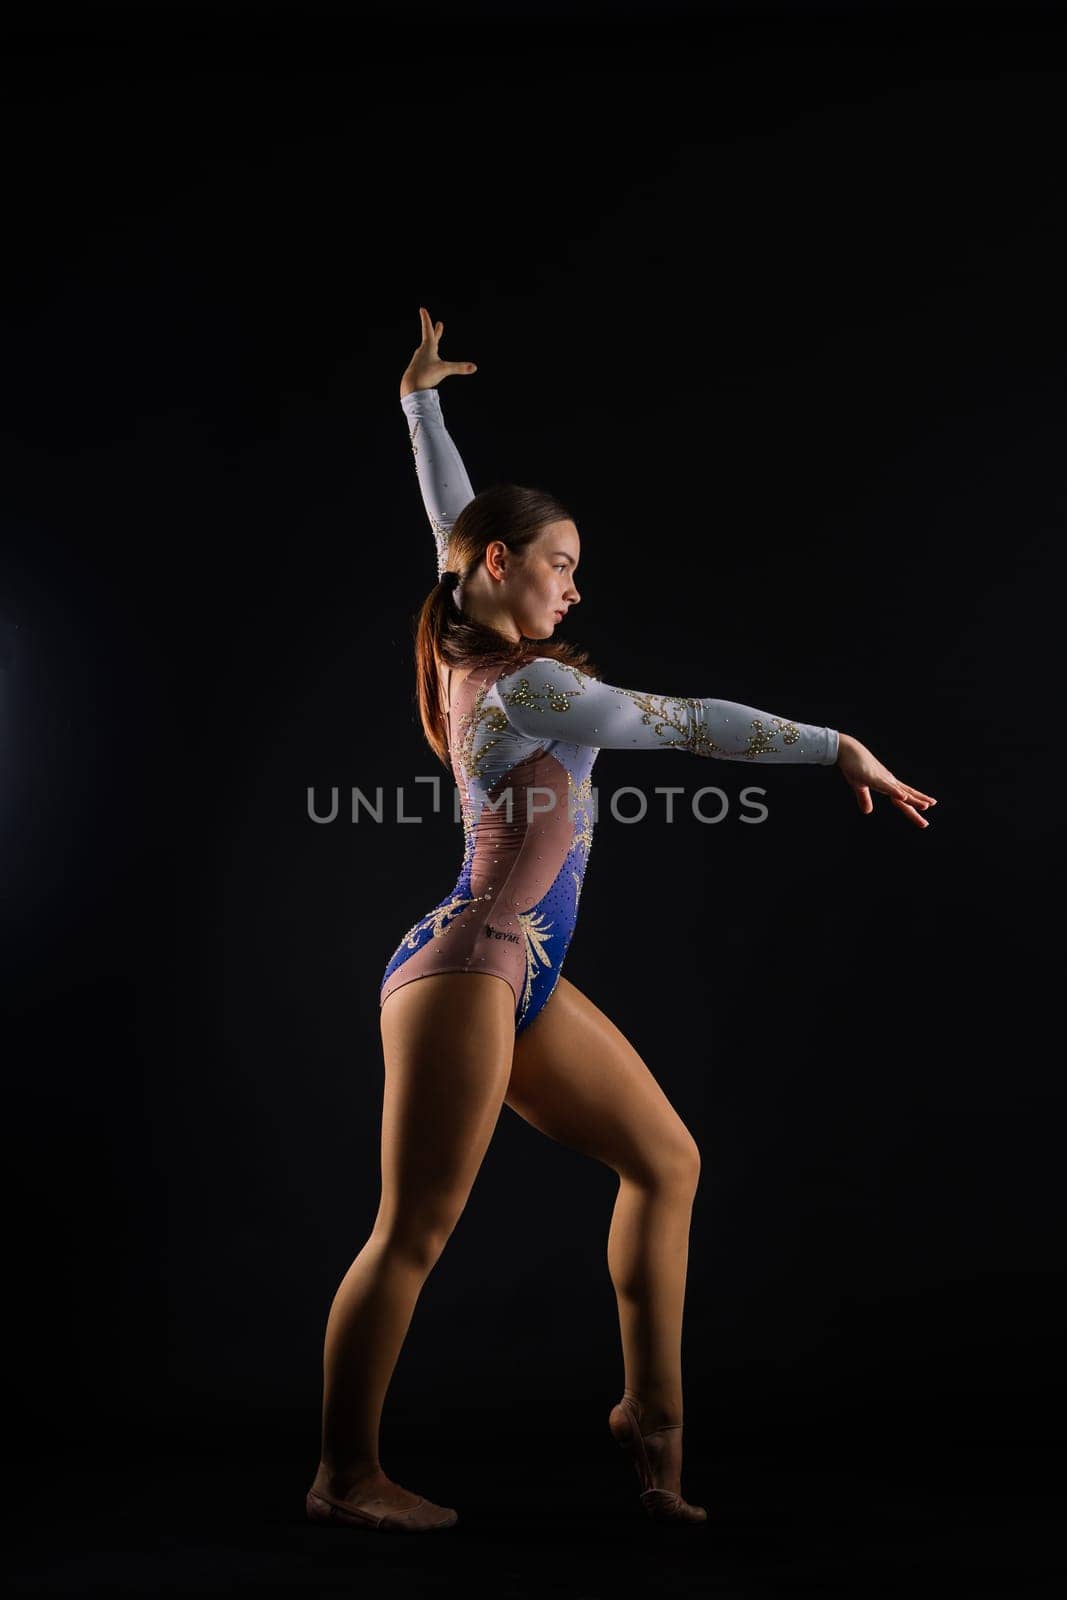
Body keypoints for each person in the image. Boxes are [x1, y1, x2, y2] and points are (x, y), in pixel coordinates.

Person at [306, 308, 937, 1534]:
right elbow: (693, 721)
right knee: (412, 1233)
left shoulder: (461, 626)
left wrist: (417, 408)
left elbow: (452, 522)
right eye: (559, 563)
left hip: (517, 969)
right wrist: (837, 747)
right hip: (467, 967)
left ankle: (649, 1424)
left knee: (665, 1161)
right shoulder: (533, 686)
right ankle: (342, 1475)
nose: (573, 583)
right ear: (501, 566)